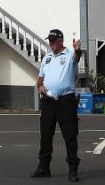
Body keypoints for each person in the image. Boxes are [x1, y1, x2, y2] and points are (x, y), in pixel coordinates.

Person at [32, 30, 83, 182]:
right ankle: (43, 167)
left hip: (66, 101)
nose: (51, 43)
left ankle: (73, 169)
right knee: (46, 135)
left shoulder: (69, 55)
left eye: (54, 40)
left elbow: (77, 57)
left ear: (61, 41)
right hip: (48, 101)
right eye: (50, 41)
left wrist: (77, 50)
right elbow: (40, 80)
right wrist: (40, 86)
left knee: (70, 135)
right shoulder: (46, 57)